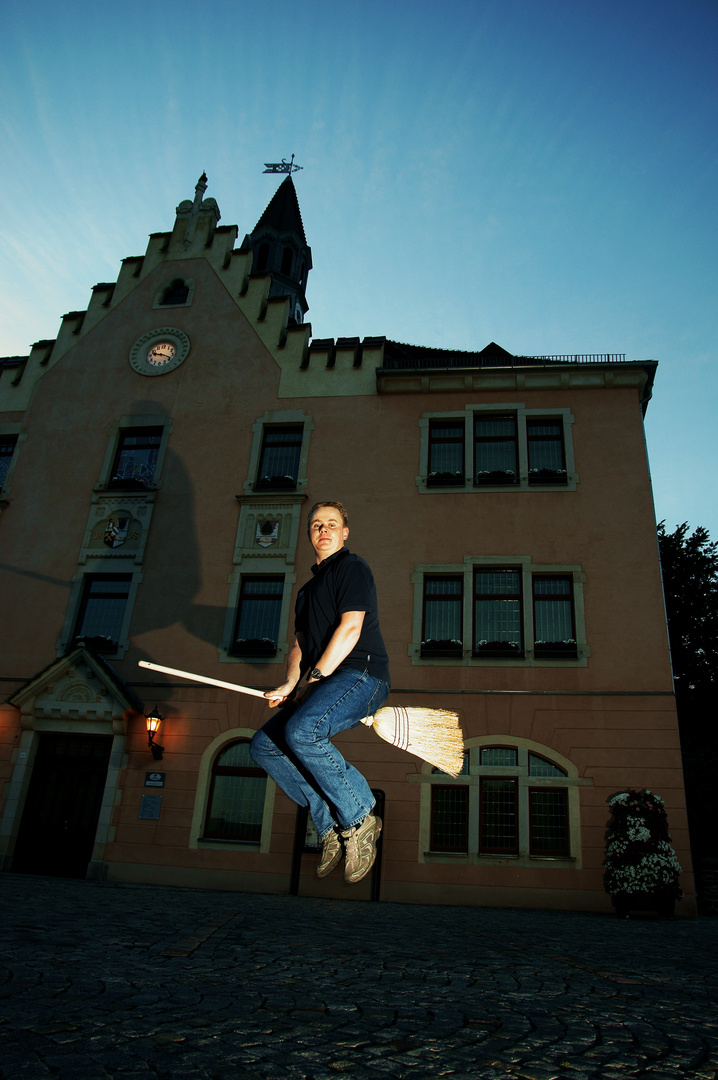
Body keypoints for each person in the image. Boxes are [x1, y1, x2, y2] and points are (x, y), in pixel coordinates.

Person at [249, 501, 390, 884]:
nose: (323, 530)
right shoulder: (306, 592)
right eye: (316, 525)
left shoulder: (352, 568)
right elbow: (299, 646)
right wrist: (290, 684)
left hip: (362, 675)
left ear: (345, 532)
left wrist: (312, 679)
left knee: (303, 732)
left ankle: (360, 815)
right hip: (322, 680)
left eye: (332, 524)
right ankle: (328, 823)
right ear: (309, 534)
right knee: (264, 745)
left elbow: (350, 629)